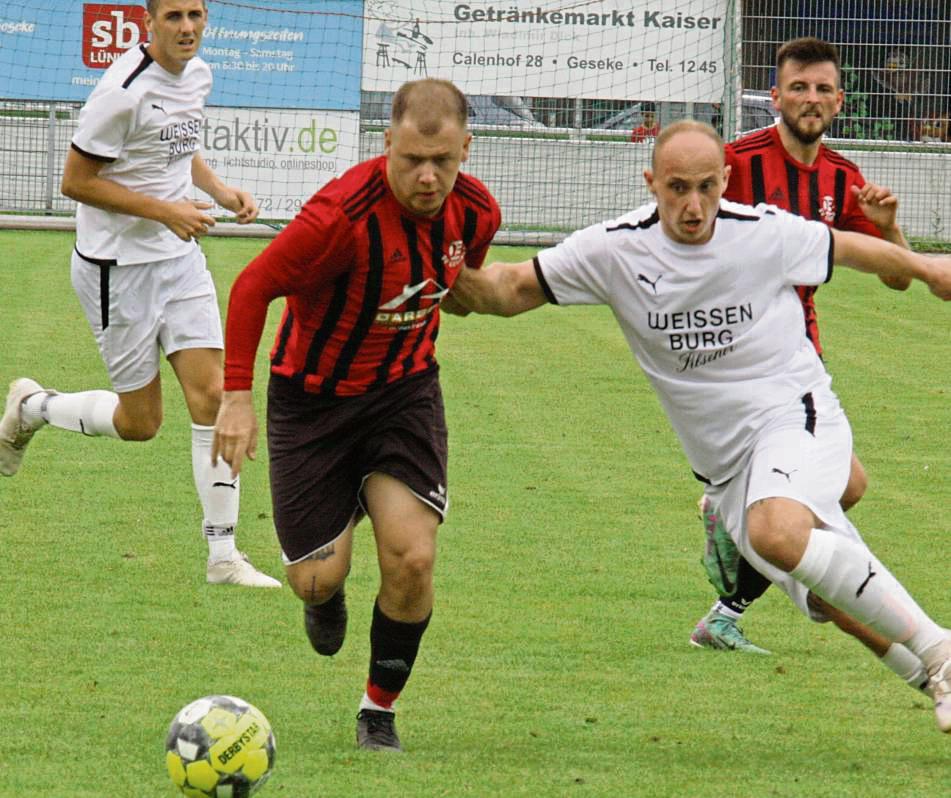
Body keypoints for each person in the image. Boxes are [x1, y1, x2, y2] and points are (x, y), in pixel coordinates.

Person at [445, 119, 951, 733]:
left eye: (707, 187)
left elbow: (847, 247)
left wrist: (925, 267)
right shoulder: (615, 249)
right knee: (829, 593)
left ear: (726, 181)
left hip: (795, 412)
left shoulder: (761, 232)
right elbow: (509, 288)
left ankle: (940, 651)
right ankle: (934, 678)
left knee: (778, 532)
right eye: (677, 188)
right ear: (650, 182)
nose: (693, 205)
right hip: (725, 466)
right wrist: (445, 274)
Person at [211, 78, 501, 752]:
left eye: (443, 162)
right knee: (316, 577)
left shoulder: (477, 212)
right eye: (410, 161)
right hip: (310, 404)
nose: (427, 177)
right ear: (387, 145)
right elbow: (254, 286)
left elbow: (454, 285)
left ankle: (378, 712)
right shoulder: (339, 218)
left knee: (412, 558)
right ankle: (324, 594)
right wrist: (235, 396)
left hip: (403, 394)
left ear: (465, 148)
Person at [0, 0, 279, 589]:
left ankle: (223, 555)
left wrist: (221, 190)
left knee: (212, 397)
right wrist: (165, 211)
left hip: (179, 264)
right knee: (140, 423)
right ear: (147, 22)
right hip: (116, 270)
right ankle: (32, 407)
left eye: (196, 15)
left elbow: (177, 148)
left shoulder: (199, 74)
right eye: (174, 16)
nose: (187, 27)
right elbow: (75, 182)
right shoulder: (120, 91)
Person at [689, 36, 915, 658]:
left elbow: (896, 276)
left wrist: (889, 225)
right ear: (775, 97)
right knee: (832, 490)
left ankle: (726, 598)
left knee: (845, 486)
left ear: (839, 101)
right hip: (736, 356)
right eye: (798, 87)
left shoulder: (844, 178)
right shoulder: (735, 164)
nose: (810, 100)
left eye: (821, 90)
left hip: (798, 356)